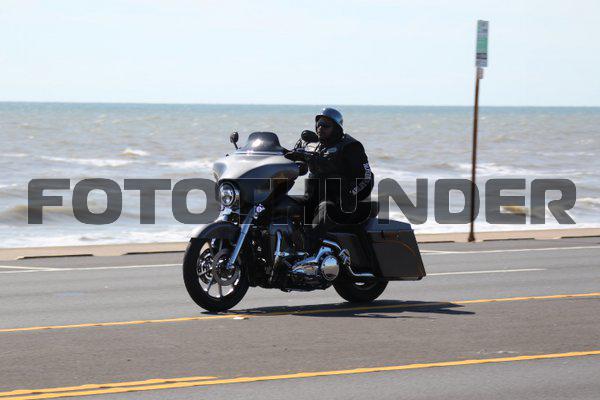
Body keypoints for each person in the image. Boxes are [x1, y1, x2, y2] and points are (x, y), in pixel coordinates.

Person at [286, 107, 374, 252]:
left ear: (337, 128)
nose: (320, 128)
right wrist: (287, 158)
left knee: (326, 209)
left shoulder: (350, 146)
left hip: (341, 202)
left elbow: (367, 177)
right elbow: (302, 167)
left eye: (326, 125)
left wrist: (349, 194)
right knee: (282, 203)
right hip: (313, 198)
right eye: (318, 124)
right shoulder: (313, 145)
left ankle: (308, 254)